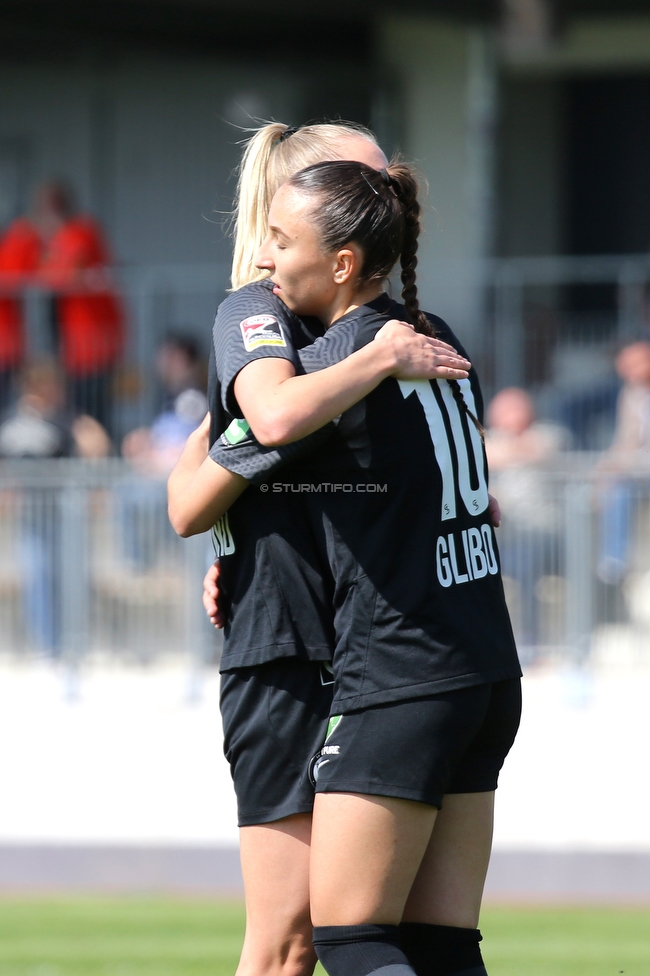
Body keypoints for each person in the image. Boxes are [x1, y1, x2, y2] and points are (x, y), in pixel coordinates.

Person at [171, 148, 520, 976]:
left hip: (396, 670)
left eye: (282, 240)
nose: (263, 259)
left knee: (350, 941)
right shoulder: (433, 339)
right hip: (483, 664)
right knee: (440, 944)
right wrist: (248, 546)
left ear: (343, 258)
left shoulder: (337, 365)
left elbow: (254, 442)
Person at [485, 387, 568, 654]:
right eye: (502, 411)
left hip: (547, 534)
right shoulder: (490, 439)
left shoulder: (549, 433)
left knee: (526, 563)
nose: (507, 416)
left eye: (513, 409)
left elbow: (537, 450)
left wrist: (501, 453)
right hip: (507, 534)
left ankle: (531, 639)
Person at [597, 340, 650, 584]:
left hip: (642, 468)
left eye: (633, 364)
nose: (627, 371)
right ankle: (614, 561)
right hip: (639, 469)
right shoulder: (631, 394)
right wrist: (607, 465)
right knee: (612, 487)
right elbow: (626, 439)